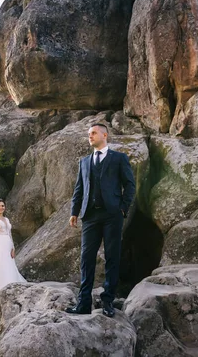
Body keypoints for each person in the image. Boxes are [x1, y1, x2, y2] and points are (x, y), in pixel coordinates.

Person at [66, 123, 135, 317]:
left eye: (93, 133)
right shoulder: (84, 162)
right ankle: (83, 304)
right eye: (89, 134)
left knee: (112, 257)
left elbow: (130, 185)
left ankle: (107, 302)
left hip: (112, 215)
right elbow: (79, 189)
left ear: (105, 135)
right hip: (90, 216)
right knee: (86, 259)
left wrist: (122, 208)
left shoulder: (119, 158)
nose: (90, 136)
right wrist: (74, 211)